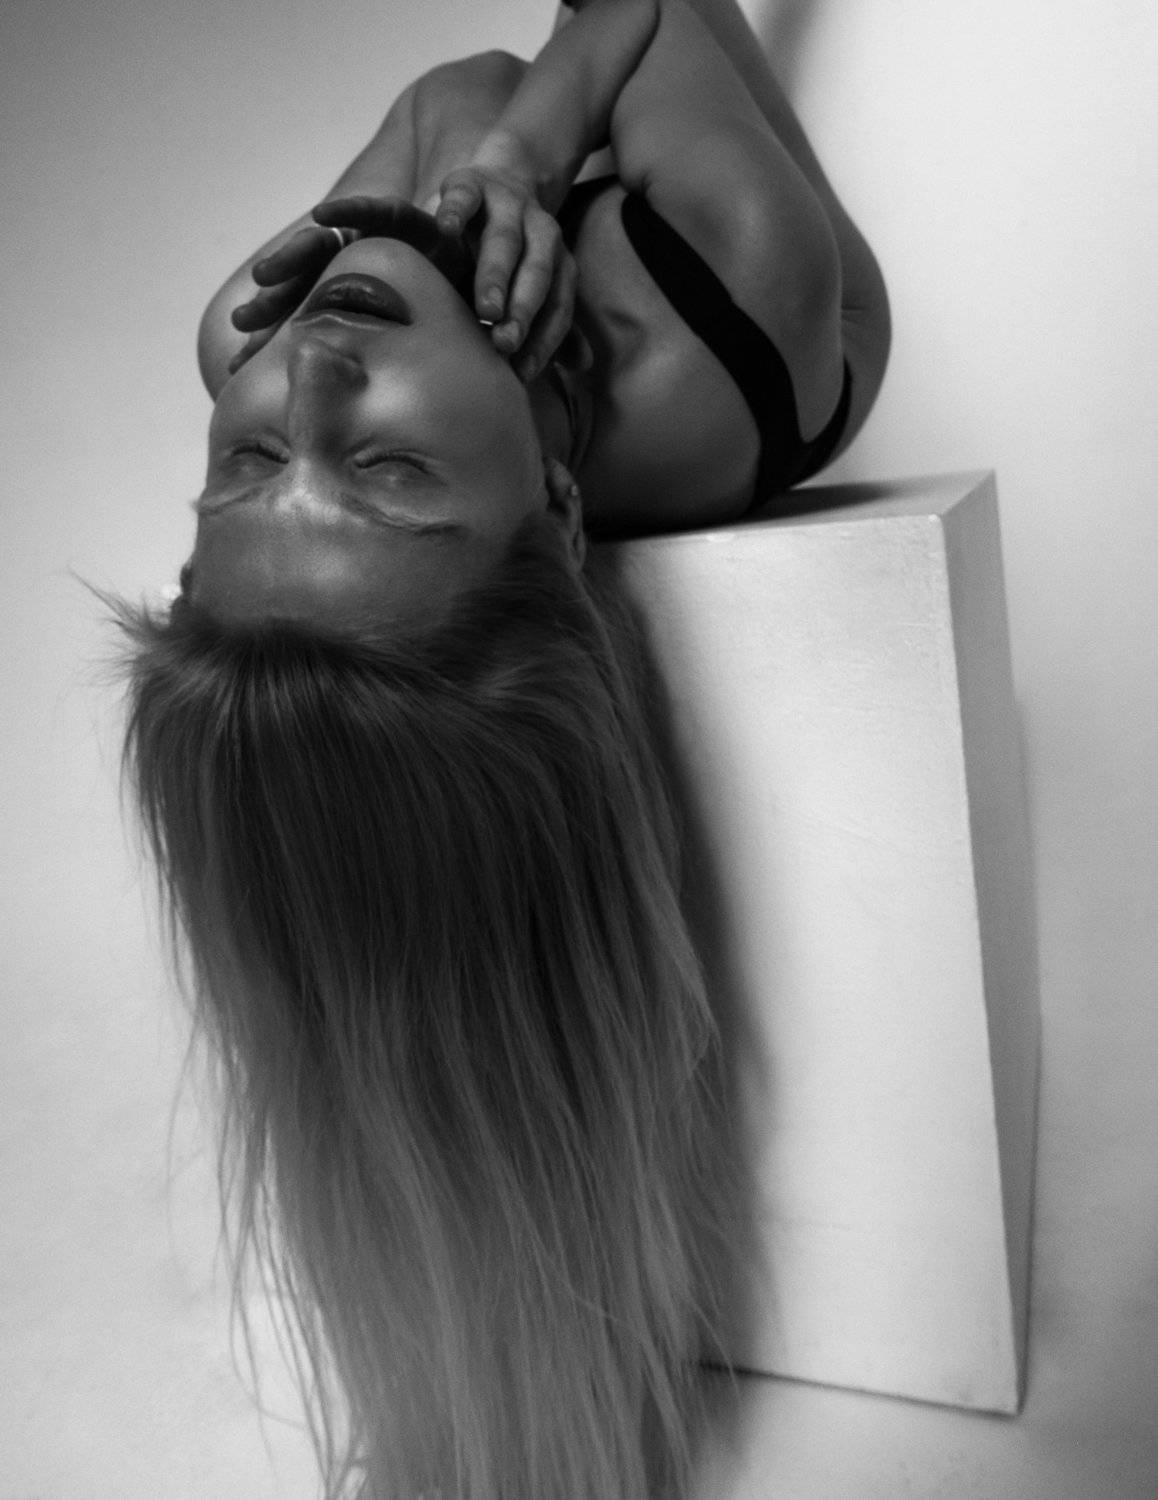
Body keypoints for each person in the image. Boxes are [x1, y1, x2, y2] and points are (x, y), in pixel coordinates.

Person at [115, 2, 888, 1496]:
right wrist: (527, 158)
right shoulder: (726, 304)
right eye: (388, 471)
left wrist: (486, 161)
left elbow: (455, 91)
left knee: (475, 110)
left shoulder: (252, 340)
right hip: (752, 331)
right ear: (559, 507)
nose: (310, 374)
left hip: (518, 313)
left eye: (252, 461)